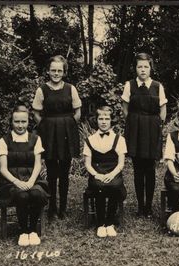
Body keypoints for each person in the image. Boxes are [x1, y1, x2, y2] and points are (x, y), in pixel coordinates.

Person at [32, 55, 82, 220]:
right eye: (53, 70)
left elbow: (77, 112)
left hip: (67, 133)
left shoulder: (71, 89)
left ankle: (63, 208)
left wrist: (65, 125)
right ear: (48, 71)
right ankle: (52, 207)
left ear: (64, 72)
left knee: (64, 172)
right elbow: (36, 113)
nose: (56, 73)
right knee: (52, 172)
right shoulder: (42, 90)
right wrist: (46, 127)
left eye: (59, 70)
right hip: (49, 134)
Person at [0, 105, 49, 246]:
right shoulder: (4, 141)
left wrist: (31, 181)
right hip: (11, 182)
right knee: (22, 195)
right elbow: (3, 169)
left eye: (23, 122)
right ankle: (24, 231)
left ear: (28, 122)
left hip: (32, 179)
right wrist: (16, 182)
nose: (20, 125)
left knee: (37, 194)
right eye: (17, 122)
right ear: (11, 122)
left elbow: (38, 164)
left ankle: (32, 231)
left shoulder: (36, 139)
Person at [121, 52, 167, 218]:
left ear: (151, 68)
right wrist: (135, 122)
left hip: (152, 128)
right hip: (135, 129)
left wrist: (154, 125)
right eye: (139, 66)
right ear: (136, 68)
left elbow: (163, 111)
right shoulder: (130, 85)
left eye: (146, 66)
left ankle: (149, 206)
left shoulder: (157, 86)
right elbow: (125, 108)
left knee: (150, 168)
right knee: (138, 168)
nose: (142, 69)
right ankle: (140, 206)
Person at [83, 106, 127, 238]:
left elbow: (121, 164)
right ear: (96, 120)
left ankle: (110, 222)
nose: (103, 122)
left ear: (111, 120)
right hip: (97, 173)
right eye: (100, 118)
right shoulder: (90, 140)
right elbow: (87, 164)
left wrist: (111, 175)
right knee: (99, 186)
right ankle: (101, 223)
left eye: (106, 119)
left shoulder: (120, 140)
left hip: (114, 172)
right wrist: (97, 175)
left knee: (113, 186)